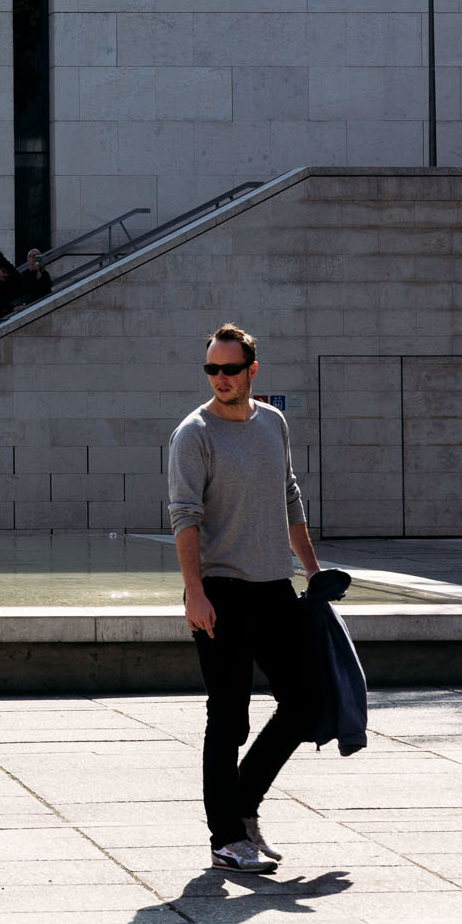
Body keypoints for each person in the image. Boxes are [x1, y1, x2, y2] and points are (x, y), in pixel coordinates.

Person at [170, 323, 324, 874]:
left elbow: (289, 494)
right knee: (229, 719)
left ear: (252, 370)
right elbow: (184, 515)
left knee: (306, 701)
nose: (220, 379)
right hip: (222, 593)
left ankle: (244, 806)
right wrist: (195, 592)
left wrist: (312, 569)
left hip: (275, 588)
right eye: (211, 369)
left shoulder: (273, 423)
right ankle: (225, 837)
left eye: (229, 369)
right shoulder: (194, 434)